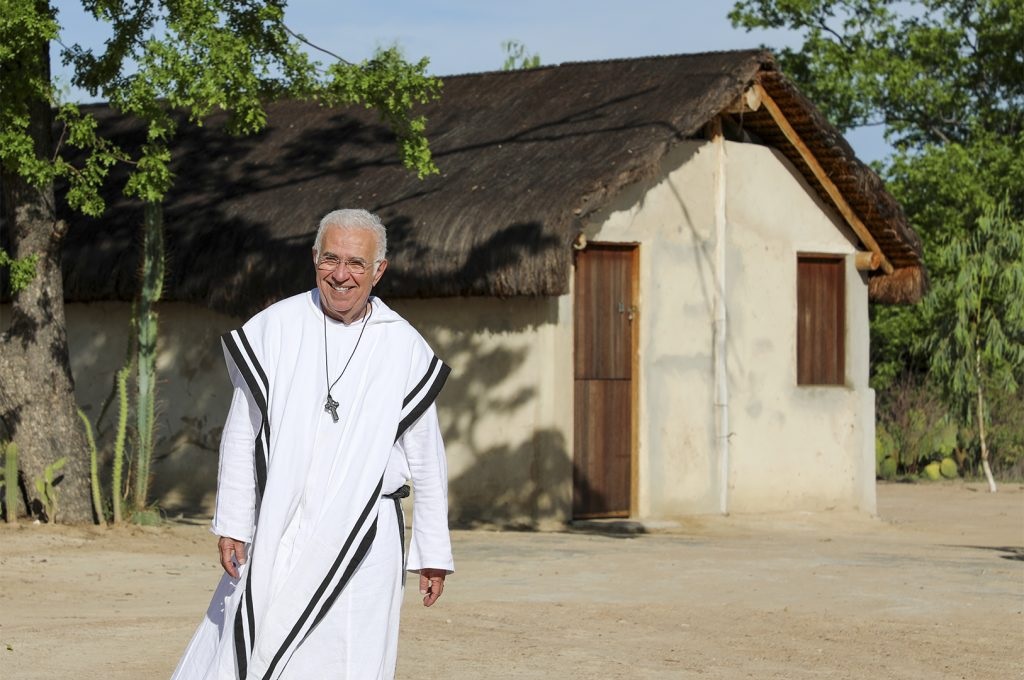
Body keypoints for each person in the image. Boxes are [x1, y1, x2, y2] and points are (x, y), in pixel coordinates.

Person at [171, 209, 453, 680]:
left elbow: (427, 457)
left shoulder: (403, 345)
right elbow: (242, 432)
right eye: (331, 259)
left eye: (356, 264)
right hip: (282, 524)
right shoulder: (276, 328)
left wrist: (432, 552)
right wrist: (234, 523)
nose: (341, 275)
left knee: (350, 658)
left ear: (379, 270)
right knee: (256, 639)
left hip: (365, 535)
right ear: (314, 259)